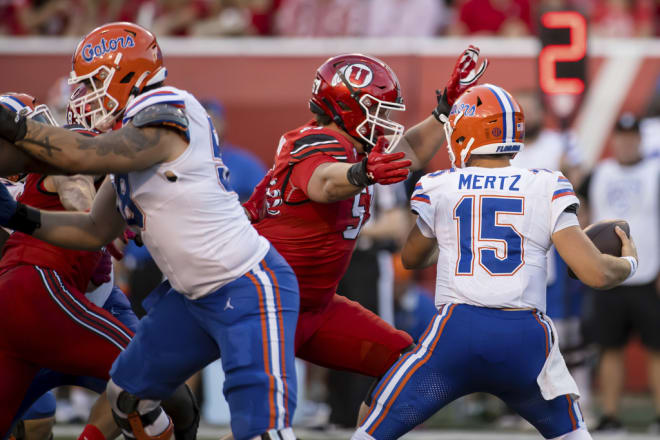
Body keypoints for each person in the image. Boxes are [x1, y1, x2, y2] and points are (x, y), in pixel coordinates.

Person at [0, 21, 299, 440]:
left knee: (261, 430)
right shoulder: (131, 143)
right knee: (128, 398)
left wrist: (16, 127)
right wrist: (18, 216)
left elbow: (85, 154)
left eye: (91, 85)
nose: (82, 98)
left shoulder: (167, 105)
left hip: (245, 281)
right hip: (189, 297)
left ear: (126, 75)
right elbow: (90, 229)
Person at [352, 84, 639, 440]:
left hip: (455, 336)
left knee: (370, 427)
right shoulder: (547, 184)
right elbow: (595, 272)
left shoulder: (440, 185)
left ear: (466, 131)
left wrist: (455, 235)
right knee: (574, 436)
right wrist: (629, 263)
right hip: (525, 340)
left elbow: (411, 258)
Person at [250, 46, 489, 425]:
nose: (384, 123)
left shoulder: (355, 146)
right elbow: (323, 184)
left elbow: (409, 149)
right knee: (258, 427)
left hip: (317, 306)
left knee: (406, 366)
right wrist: (361, 174)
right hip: (267, 307)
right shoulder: (314, 142)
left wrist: (444, 112)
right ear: (347, 107)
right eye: (377, 112)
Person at [0, 93, 198, 440]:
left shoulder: (56, 163)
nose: (44, 132)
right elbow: (75, 183)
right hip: (44, 296)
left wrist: (110, 224)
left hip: (77, 300)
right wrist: (97, 223)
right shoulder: (75, 154)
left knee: (164, 393)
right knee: (40, 419)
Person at [577, 113, 660, 433]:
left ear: (640, 139)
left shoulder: (654, 172)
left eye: (631, 137)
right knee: (609, 347)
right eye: (621, 137)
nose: (626, 143)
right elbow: (577, 209)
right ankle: (610, 414)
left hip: (648, 275)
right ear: (614, 140)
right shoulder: (600, 173)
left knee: (656, 349)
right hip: (608, 276)